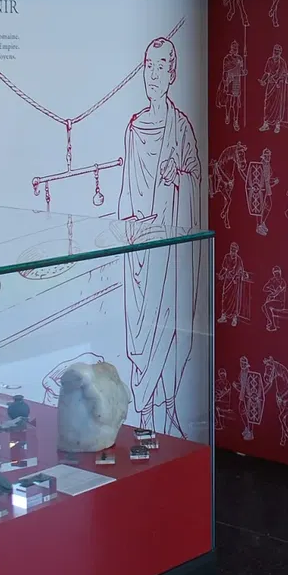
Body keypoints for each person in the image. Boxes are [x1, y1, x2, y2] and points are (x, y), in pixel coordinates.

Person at [120, 37, 201, 436]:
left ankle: (168, 409)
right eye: (148, 66)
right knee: (145, 332)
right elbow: (126, 195)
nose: (154, 74)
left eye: (162, 67)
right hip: (142, 253)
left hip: (172, 251)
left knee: (173, 328)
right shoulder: (134, 129)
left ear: (173, 74)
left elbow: (196, 178)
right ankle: (146, 417)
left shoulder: (182, 126)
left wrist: (178, 178)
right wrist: (135, 226)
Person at [217, 41, 246, 131]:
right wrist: (226, 82)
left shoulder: (240, 58)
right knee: (229, 99)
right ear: (231, 49)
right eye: (234, 48)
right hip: (230, 80)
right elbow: (225, 70)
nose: (235, 50)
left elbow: (241, 70)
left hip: (237, 80)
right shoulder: (227, 58)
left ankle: (236, 119)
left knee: (236, 100)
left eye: (236, 48)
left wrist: (243, 72)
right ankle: (227, 115)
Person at [262, 266, 287, 331]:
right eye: (275, 273)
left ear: (280, 273)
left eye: (278, 272)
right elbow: (264, 288)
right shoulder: (272, 280)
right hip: (274, 300)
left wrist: (272, 293)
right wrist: (271, 289)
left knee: (267, 305)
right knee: (264, 307)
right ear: (273, 273)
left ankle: (273, 325)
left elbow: (277, 292)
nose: (276, 274)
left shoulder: (282, 282)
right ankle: (271, 322)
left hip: (280, 303)